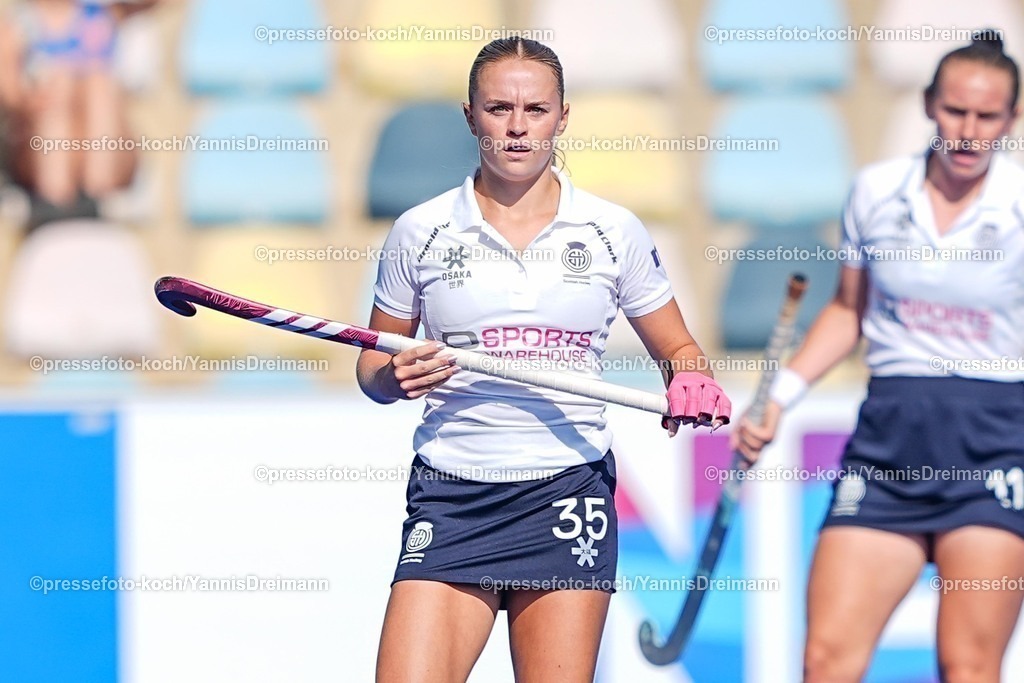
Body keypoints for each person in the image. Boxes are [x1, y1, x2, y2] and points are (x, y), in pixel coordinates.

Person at [357, 37, 730, 682]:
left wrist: (692, 380)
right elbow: (371, 366)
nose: (518, 127)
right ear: (470, 116)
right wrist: (393, 376)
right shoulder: (420, 230)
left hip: (566, 490)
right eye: (499, 108)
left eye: (536, 109)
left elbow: (679, 350)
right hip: (451, 495)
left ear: (562, 116)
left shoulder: (613, 231)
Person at [732, 31, 1024, 683]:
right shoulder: (875, 190)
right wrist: (777, 400)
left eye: (987, 116)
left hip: (995, 442)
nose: (969, 131)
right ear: (928, 105)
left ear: (1013, 117)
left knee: (968, 664)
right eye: (955, 111)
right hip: (889, 441)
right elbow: (847, 311)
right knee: (827, 659)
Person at [0, 0, 155, 229]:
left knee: (98, 85)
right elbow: (10, 94)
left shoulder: (101, 15)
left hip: (104, 147)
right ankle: (57, 194)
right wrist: (32, 102)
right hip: (41, 143)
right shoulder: (18, 25)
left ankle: (95, 192)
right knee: (58, 86)